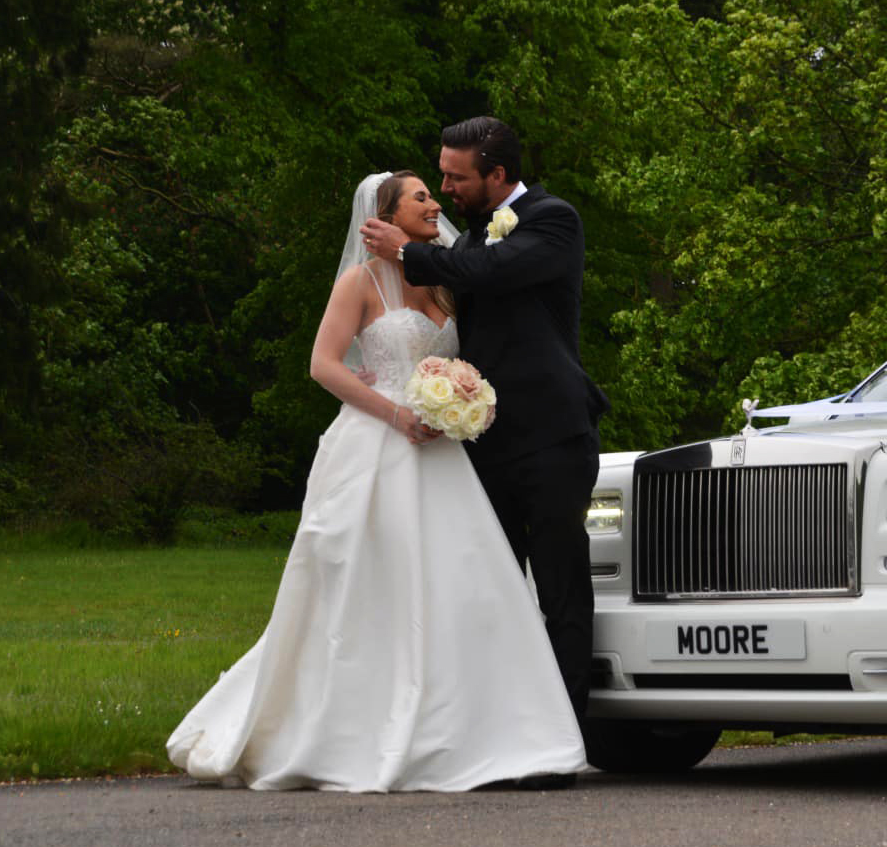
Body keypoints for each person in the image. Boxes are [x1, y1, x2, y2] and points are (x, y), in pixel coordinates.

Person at [166, 172, 587, 792]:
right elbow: (323, 365)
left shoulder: (444, 283)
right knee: (370, 586)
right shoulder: (358, 283)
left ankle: (468, 731)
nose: (435, 203)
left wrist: (459, 399)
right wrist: (397, 414)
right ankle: (349, 727)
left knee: (461, 587)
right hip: (376, 442)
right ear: (384, 215)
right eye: (420, 197)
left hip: (441, 456)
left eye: (433, 194)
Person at [361, 117, 607, 789]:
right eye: (439, 175)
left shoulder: (552, 220)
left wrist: (409, 253)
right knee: (490, 593)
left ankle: (563, 746)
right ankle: (499, 739)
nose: (445, 186)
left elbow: (494, 270)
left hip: (554, 437)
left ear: (496, 173)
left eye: (455, 176)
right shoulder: (465, 238)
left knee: (560, 591)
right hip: (486, 443)